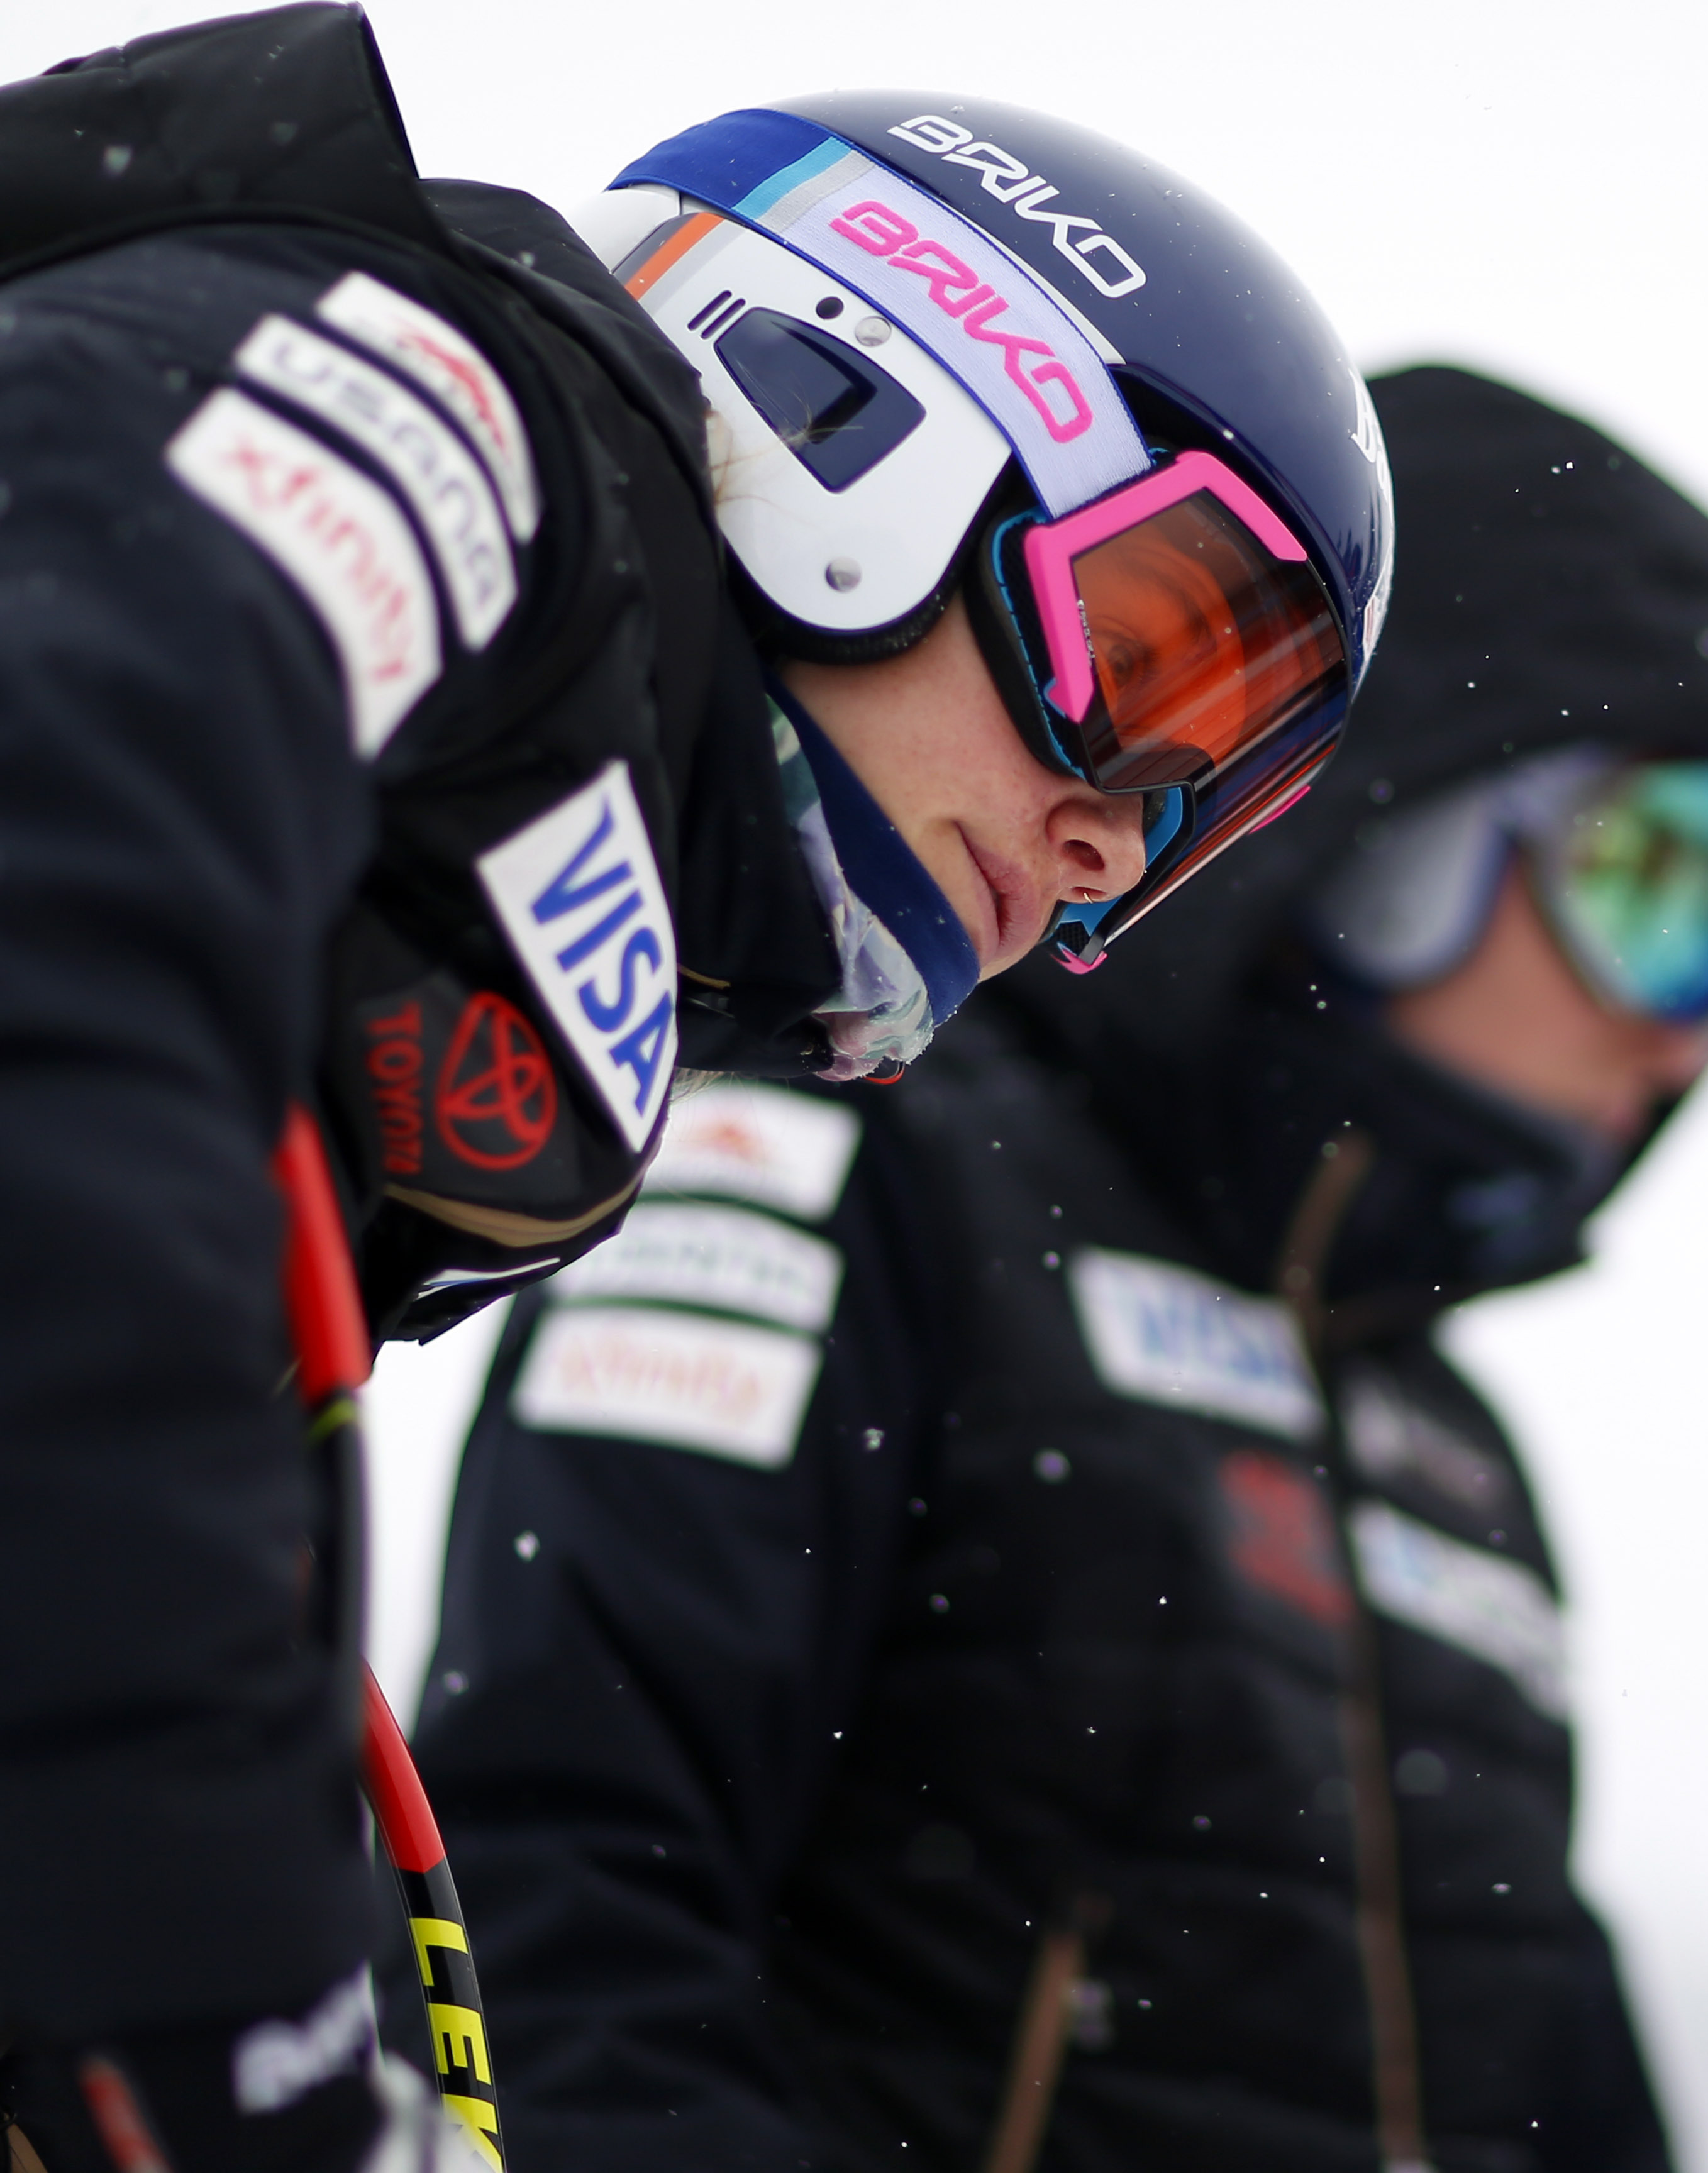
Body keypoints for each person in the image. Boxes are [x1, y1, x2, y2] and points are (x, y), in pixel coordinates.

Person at [0, 11, 1387, 2168]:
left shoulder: (519, 867)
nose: (1123, 835)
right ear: (852, 391)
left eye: (1207, 794)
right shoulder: (407, 407)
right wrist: (218, 2036)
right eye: (1155, 664)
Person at [406, 364, 1708, 2172]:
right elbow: (565, 1919)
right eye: (1675, 892)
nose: (1695, 1040)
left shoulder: (1453, 1446)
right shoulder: (853, 1177)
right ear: (1411, 829)